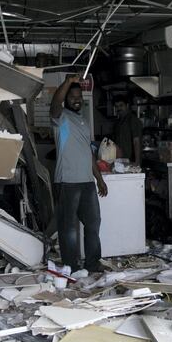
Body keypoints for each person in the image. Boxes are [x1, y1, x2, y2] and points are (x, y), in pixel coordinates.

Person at [51, 75, 108, 272]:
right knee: (69, 228)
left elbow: (88, 151)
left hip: (86, 182)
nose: (76, 99)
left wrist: (99, 179)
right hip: (67, 181)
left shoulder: (83, 121)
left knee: (93, 223)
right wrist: (67, 82)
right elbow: (55, 103)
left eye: (78, 96)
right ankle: (72, 267)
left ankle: (93, 263)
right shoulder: (61, 118)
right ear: (66, 99)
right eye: (72, 96)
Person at [112, 95, 143, 165]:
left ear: (127, 105)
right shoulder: (118, 123)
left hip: (131, 161)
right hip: (120, 161)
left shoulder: (133, 120)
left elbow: (136, 141)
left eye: (121, 105)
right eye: (116, 106)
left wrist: (137, 161)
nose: (119, 108)